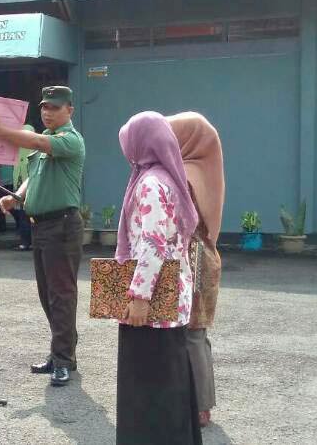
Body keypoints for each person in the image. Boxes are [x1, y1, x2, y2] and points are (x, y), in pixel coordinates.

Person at [0, 86, 85, 386]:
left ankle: (63, 360)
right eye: (44, 107)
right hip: (41, 226)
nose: (48, 112)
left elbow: (37, 141)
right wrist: (15, 196)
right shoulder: (45, 143)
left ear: (69, 110)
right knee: (48, 295)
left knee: (61, 295)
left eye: (55, 107)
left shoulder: (69, 140)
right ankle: (61, 353)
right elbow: (32, 177)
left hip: (61, 226)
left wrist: (1, 131)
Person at [114, 111, 201, 444]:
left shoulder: (150, 183)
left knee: (149, 390)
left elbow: (153, 244)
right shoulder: (168, 178)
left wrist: (138, 297)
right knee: (171, 383)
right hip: (172, 298)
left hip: (152, 305)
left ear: (142, 143)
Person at [168, 112, 225, 428]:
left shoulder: (188, 173)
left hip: (193, 259)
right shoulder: (205, 165)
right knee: (196, 334)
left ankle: (200, 406)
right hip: (204, 255)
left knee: (191, 334)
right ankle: (198, 402)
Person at [9, 125, 35, 251]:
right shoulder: (17, 150)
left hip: (33, 187)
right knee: (23, 215)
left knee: (28, 216)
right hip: (21, 188)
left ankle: (28, 242)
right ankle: (25, 241)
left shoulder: (36, 151)